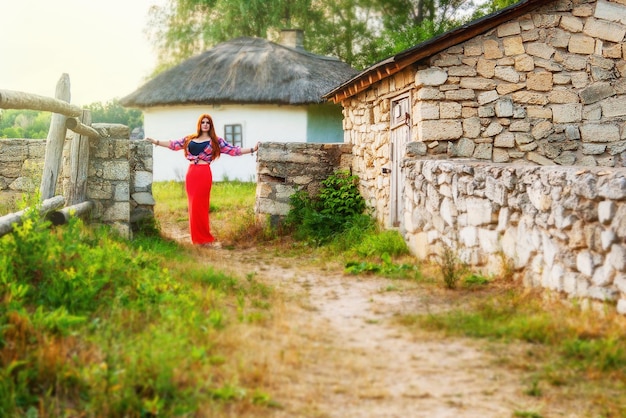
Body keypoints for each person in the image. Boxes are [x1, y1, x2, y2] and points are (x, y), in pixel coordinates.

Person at [146, 113, 259, 248]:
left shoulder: (216, 141)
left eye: (208, 122)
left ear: (210, 125)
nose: (205, 124)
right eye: (203, 122)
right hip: (191, 173)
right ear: (199, 124)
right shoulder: (189, 139)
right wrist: (155, 141)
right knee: (193, 206)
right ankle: (196, 239)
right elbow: (173, 144)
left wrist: (253, 149)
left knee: (201, 206)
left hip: (204, 173)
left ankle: (204, 239)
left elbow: (234, 150)